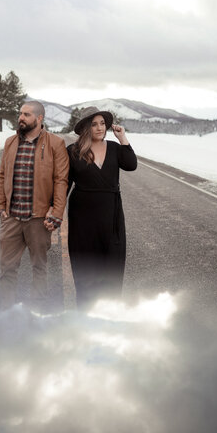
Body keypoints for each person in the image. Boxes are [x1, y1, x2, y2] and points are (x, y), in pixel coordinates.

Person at [0, 100, 69, 310]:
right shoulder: (10, 142)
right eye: (20, 113)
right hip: (11, 217)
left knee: (39, 267)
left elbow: (61, 180)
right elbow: (2, 175)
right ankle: (6, 313)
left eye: (27, 114)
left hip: (38, 219)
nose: (21, 118)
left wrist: (56, 212)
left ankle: (38, 310)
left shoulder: (55, 144)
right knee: (7, 268)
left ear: (39, 118)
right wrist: (1, 206)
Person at [67, 106, 137, 309]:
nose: (100, 128)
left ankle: (109, 314)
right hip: (82, 217)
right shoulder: (73, 151)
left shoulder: (115, 148)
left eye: (102, 123)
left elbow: (131, 164)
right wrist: (54, 212)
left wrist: (123, 138)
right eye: (94, 124)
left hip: (111, 215)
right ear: (86, 128)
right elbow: (65, 183)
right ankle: (85, 315)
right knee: (85, 266)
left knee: (111, 266)